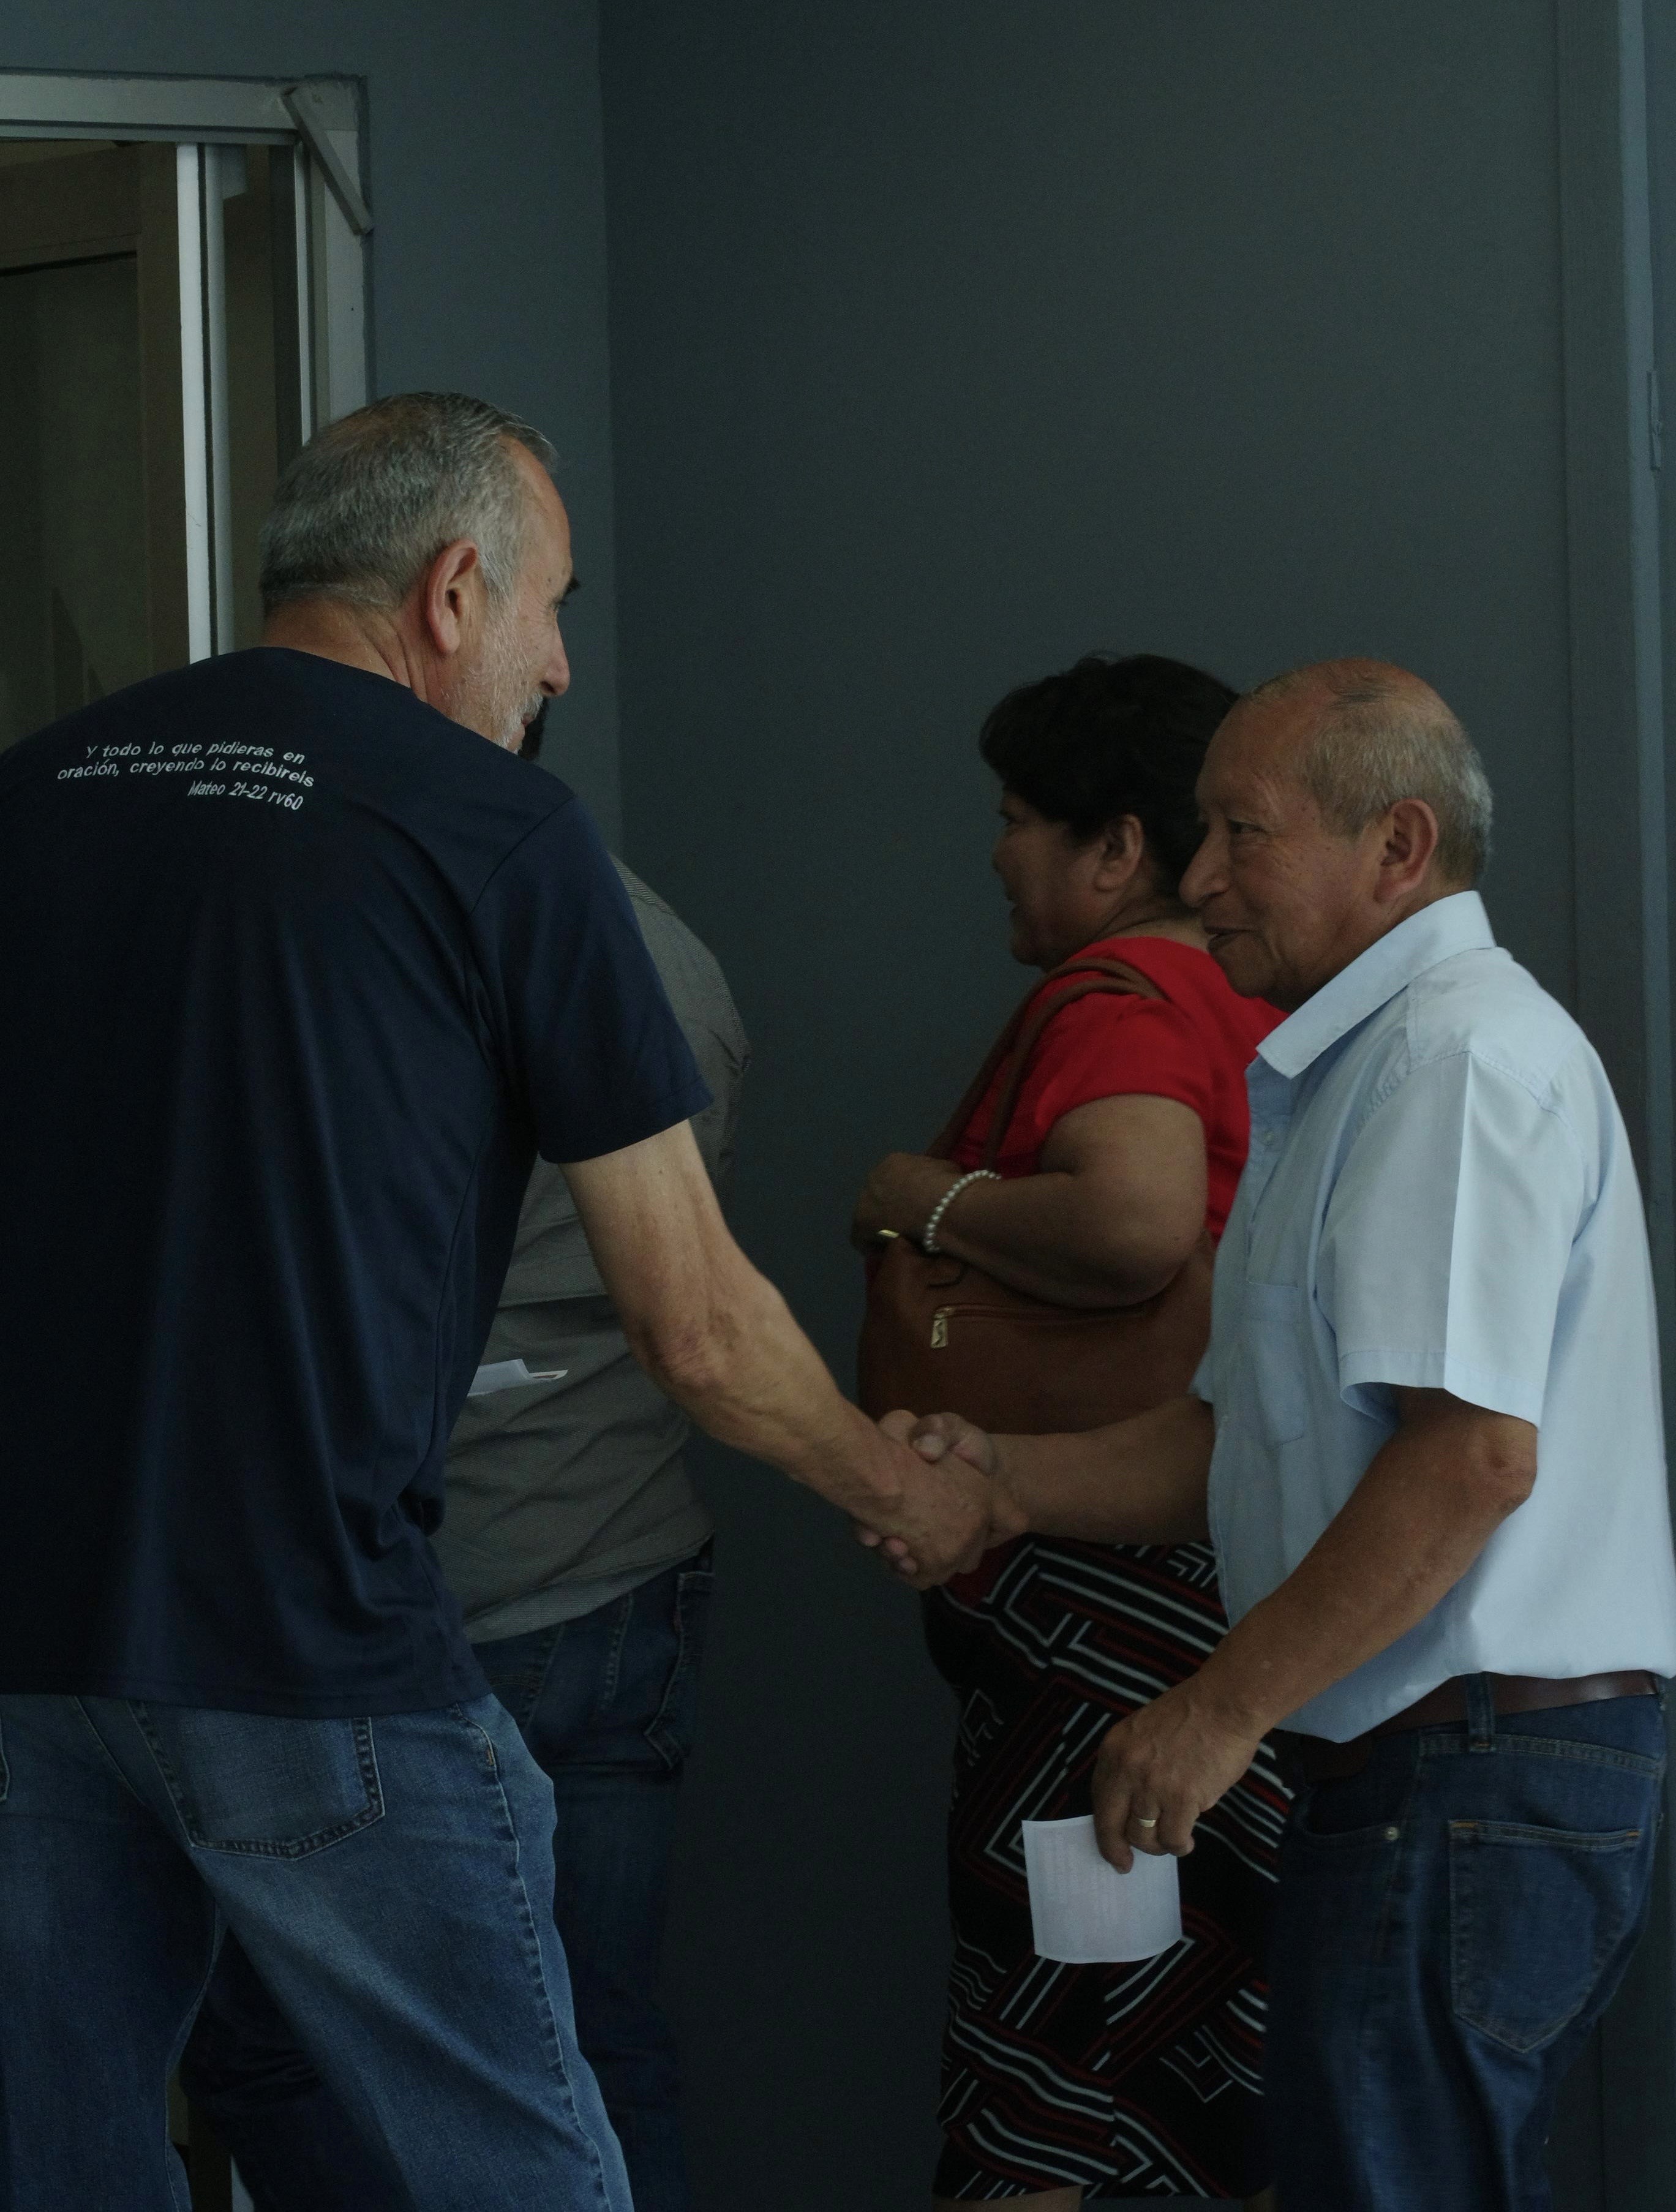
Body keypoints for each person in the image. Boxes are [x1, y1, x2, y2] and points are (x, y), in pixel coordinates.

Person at [0, 391, 1004, 2212]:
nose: (554, 661)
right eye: (549, 605)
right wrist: (901, 1487)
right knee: (519, 2170)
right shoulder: (497, 831)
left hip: (23, 1639)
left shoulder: (37, 788)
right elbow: (692, 1319)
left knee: (62, 2166)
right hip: (305, 1643)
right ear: (454, 590)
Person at [882, 660, 1676, 2212]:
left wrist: (1211, 1713)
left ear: (1396, 848)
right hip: (1431, 1776)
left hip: (1462, 1771)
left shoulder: (1450, 1062)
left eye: (1240, 835)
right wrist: (1002, 1489)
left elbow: (1468, 1459)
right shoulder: (1363, 1065)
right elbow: (1247, 1444)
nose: (1195, 880)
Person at [180, 713, 745, 2211]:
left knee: (285, 2044)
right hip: (620, 1573)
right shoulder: (666, 951)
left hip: (417, 1601)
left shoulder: (371, 949)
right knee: (594, 2037)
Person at [852, 654, 1285, 2209]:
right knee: (1180, 2045)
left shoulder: (1120, 995)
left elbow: (1134, 1220)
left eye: (1021, 816)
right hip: (1194, 1586)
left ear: (1118, 847)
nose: (995, 851)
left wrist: (921, 1196)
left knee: (1063, 2054)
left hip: (1100, 1619)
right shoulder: (1247, 997)